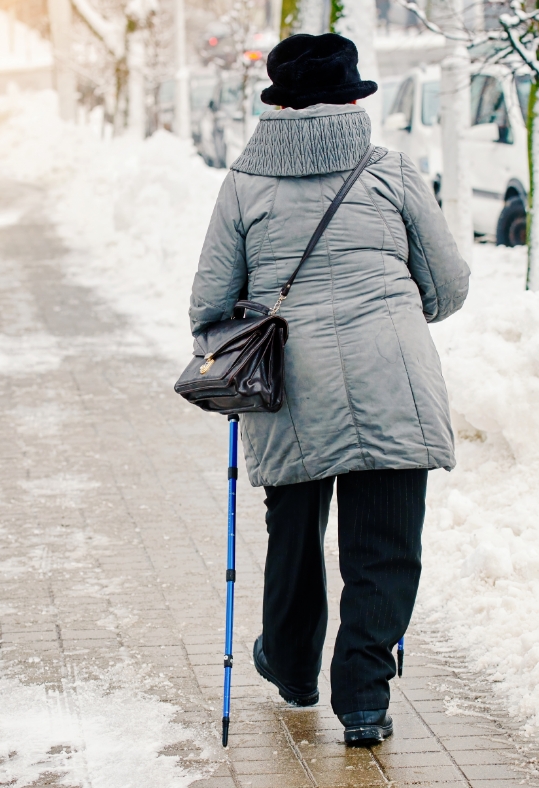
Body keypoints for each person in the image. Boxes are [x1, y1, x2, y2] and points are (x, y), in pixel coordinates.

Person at [187, 33, 469, 747]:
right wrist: (397, 310)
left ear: (277, 103)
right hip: (393, 377)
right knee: (385, 547)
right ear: (351, 99)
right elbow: (448, 285)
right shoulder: (392, 174)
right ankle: (364, 698)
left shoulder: (244, 186)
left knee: (296, 539)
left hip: (290, 386)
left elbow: (210, 307)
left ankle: (290, 666)